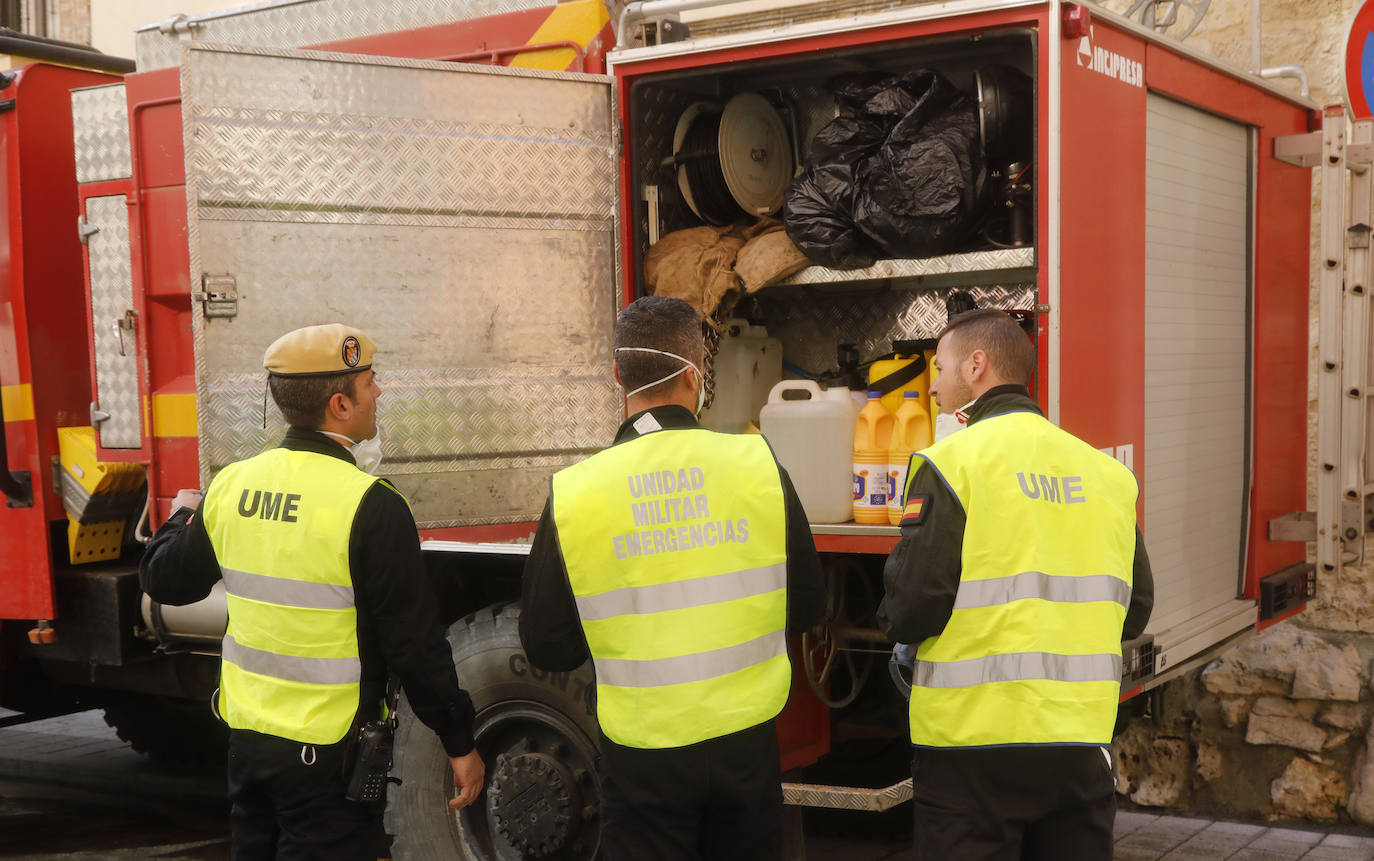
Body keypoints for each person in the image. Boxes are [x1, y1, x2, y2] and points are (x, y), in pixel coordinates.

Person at [139, 323, 484, 861]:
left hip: (248, 741)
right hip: (327, 754)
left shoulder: (231, 484)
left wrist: (181, 514)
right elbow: (414, 646)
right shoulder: (370, 503)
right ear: (341, 404)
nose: (379, 393)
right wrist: (459, 741)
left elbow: (165, 582)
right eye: (371, 383)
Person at [518, 296, 826, 861]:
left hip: (643, 756)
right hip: (746, 747)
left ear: (617, 376)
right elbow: (808, 605)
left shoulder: (576, 492)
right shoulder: (758, 465)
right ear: (696, 376)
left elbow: (547, 644)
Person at [877, 308, 1153, 861]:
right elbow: (1136, 605)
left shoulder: (952, 461)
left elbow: (912, 606)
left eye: (941, 366)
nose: (932, 384)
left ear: (976, 366)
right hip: (1079, 740)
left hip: (973, 743)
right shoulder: (1104, 473)